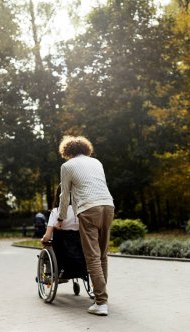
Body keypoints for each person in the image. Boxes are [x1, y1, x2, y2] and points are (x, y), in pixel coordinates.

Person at [56, 135, 114, 316]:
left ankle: (101, 303)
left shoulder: (67, 166)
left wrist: (61, 218)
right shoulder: (97, 162)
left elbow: (64, 195)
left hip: (89, 209)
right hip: (108, 206)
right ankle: (100, 297)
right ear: (85, 148)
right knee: (103, 255)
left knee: (93, 257)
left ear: (67, 151)